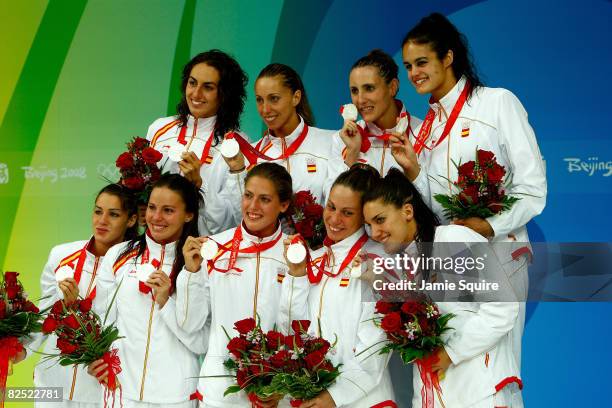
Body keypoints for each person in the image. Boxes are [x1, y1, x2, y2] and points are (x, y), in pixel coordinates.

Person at [394, 12, 546, 368]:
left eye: (421, 62)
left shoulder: (497, 103)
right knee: (460, 370)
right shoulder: (427, 128)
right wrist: (416, 173)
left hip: (499, 251)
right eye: (408, 65)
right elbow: (439, 213)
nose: (414, 72)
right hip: (451, 258)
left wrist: (489, 225)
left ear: (448, 57)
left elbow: (533, 188)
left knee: (497, 367)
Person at [362, 169, 522, 408]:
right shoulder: (403, 265)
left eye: (380, 220)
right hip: (433, 396)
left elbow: (503, 307)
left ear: (407, 211)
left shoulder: (453, 240)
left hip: (480, 392)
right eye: (368, 225)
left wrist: (452, 353)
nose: (375, 233)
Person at [176, 162, 298, 407]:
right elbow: (190, 323)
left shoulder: (296, 255)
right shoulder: (213, 249)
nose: (252, 207)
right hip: (221, 395)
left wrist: (283, 387)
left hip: (277, 396)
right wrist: (191, 273)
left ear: (283, 205)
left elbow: (298, 328)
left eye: (264, 199)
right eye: (248, 196)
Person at [280, 165, 396, 408]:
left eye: (347, 213)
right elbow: (292, 329)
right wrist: (297, 275)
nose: (334, 219)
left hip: (365, 401)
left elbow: (375, 350)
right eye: (331, 207)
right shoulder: (316, 259)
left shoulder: (377, 263)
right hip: (316, 399)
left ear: (364, 216)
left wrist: (334, 397)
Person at [89, 174, 207, 407]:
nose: (156, 217)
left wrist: (166, 302)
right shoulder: (119, 255)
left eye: (168, 210)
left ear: (189, 215)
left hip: (175, 396)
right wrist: (94, 358)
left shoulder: (202, 264)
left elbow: (201, 342)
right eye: (152, 207)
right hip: (120, 391)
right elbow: (101, 318)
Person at [30, 183, 138, 408]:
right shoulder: (61, 254)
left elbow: (126, 327)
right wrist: (18, 349)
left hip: (98, 388)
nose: (102, 220)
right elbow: (44, 315)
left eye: (114, 214)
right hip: (52, 383)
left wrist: (76, 307)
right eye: (98, 211)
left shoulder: (134, 268)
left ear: (131, 220)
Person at [146, 49, 248, 234]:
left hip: (204, 250)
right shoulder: (159, 128)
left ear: (225, 94)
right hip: (157, 245)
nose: (196, 93)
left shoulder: (237, 145)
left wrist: (199, 184)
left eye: (208, 87)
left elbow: (235, 220)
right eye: (192, 83)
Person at [222, 63, 334, 225]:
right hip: (268, 248)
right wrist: (238, 171)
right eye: (260, 100)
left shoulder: (330, 142)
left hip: (319, 248)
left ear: (296, 97)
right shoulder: (250, 155)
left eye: (274, 99)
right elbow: (242, 220)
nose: (265, 109)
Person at [325, 49, 422, 198]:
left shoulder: (423, 133)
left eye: (369, 88)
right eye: (354, 91)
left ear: (392, 87)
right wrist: (352, 154)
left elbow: (431, 206)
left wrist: (412, 170)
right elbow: (331, 204)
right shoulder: (342, 140)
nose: (360, 99)